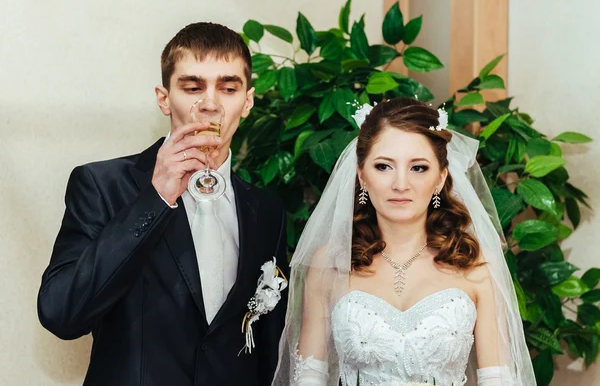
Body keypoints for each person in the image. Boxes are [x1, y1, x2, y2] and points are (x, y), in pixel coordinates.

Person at [37, 22, 288, 386]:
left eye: (228, 88)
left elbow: (268, 346)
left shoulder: (266, 211)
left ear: (247, 102)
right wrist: (155, 198)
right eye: (192, 87)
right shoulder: (102, 186)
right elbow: (61, 313)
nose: (211, 105)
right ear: (163, 98)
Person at [273, 97, 536, 385]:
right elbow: (308, 377)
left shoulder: (476, 266)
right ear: (361, 175)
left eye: (418, 168)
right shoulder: (330, 262)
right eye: (384, 166)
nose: (400, 184)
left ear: (440, 178)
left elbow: (498, 379)